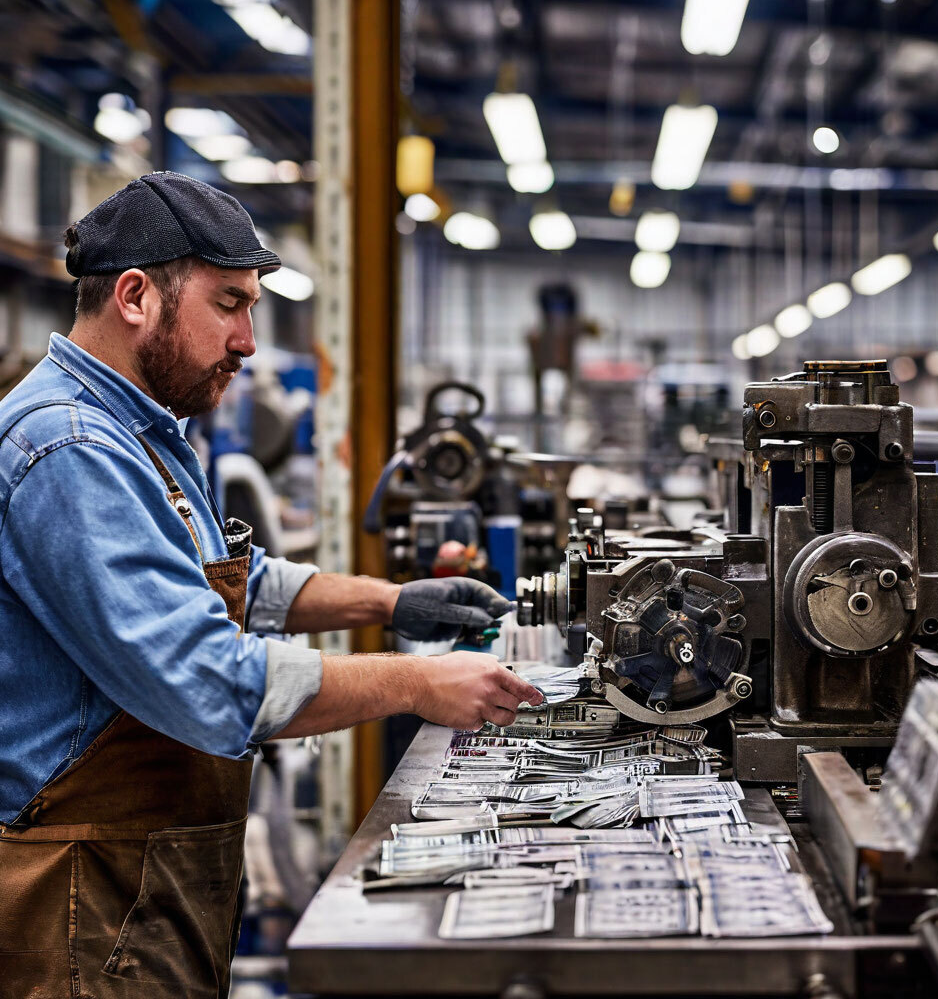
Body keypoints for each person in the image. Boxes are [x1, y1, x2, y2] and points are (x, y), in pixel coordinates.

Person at [0, 172, 542, 999]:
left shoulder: (136, 428)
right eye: (229, 304)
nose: (249, 340)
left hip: (137, 880)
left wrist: (389, 602)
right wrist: (416, 681)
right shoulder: (70, 449)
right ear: (137, 297)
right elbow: (211, 682)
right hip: (84, 903)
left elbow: (224, 574)